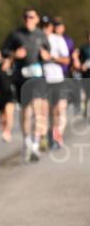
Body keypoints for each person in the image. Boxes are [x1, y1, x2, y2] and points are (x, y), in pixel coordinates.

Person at [0, 8, 51, 163]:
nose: (28, 19)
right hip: (21, 77)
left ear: (37, 19)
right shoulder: (16, 35)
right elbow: (3, 51)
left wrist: (45, 56)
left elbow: (48, 53)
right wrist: (14, 55)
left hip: (37, 76)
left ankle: (35, 144)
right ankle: (27, 140)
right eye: (26, 17)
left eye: (31, 17)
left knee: (37, 107)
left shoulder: (41, 35)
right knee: (25, 111)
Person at [44, 16, 72, 149]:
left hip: (60, 78)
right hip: (42, 79)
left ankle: (56, 134)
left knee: (59, 109)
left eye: (48, 25)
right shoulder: (37, 39)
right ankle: (49, 134)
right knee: (47, 110)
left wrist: (51, 58)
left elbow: (67, 60)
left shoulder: (61, 40)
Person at [0, 53, 17, 142]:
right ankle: (4, 129)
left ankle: (7, 131)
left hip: (10, 95)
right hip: (0, 96)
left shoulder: (12, 71)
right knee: (3, 116)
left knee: (9, 114)